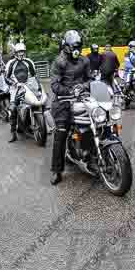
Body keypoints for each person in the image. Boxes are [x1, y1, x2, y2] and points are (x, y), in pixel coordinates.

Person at [50, 30, 91, 186]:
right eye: (74, 47)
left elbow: (90, 79)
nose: (77, 50)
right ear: (65, 46)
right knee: (60, 133)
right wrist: (70, 91)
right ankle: (57, 170)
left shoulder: (84, 60)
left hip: (82, 98)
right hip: (63, 101)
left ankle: (90, 151)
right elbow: (54, 85)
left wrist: (83, 86)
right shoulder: (59, 62)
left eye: (79, 47)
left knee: (98, 118)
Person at [4, 42, 37, 143]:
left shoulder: (29, 62)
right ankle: (13, 133)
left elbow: (34, 75)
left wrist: (36, 86)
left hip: (28, 87)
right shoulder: (11, 63)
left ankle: (34, 125)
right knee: (13, 109)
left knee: (36, 102)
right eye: (19, 52)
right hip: (15, 89)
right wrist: (14, 83)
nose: (21, 54)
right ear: (15, 53)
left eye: (22, 52)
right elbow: (6, 77)